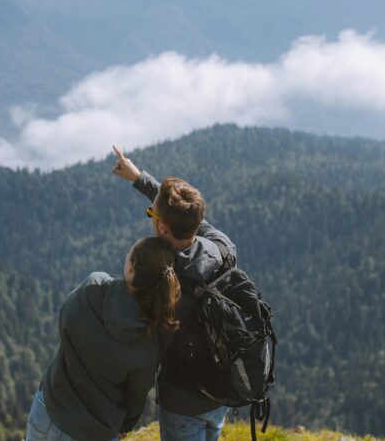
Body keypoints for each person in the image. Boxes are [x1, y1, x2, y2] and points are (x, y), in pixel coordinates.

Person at [111, 146, 238, 441]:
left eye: (152, 215)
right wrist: (140, 178)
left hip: (182, 403)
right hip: (220, 390)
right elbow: (188, 217)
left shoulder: (162, 281)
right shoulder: (223, 249)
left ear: (162, 227)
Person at [26, 237, 182, 441]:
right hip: (93, 431)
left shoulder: (93, 286)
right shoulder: (147, 342)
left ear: (131, 268)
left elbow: (64, 320)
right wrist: (126, 425)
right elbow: (137, 395)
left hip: (47, 408)